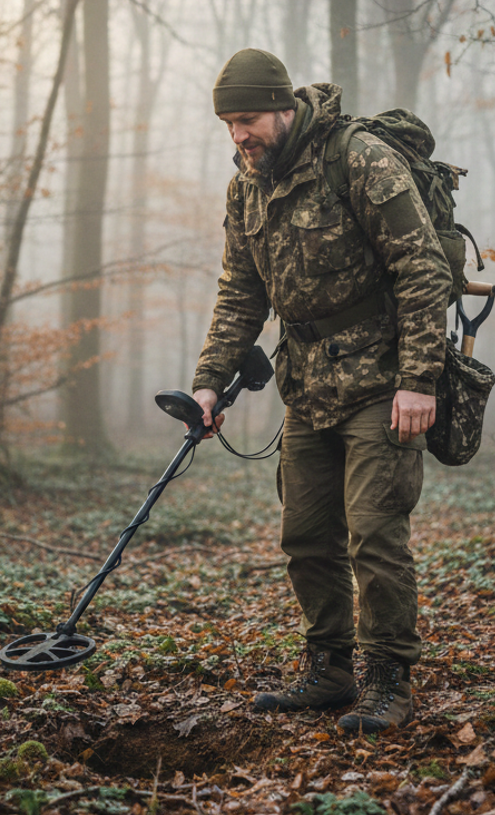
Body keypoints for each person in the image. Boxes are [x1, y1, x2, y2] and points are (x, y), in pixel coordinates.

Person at [191, 48, 452, 734]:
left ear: (283, 106)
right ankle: (330, 668)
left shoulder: (360, 160)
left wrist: (419, 379)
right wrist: (208, 383)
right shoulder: (246, 186)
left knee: (374, 533)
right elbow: (240, 292)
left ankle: (389, 678)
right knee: (305, 535)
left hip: (382, 382)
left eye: (246, 119)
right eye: (227, 125)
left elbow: (422, 270)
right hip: (305, 385)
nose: (238, 136)